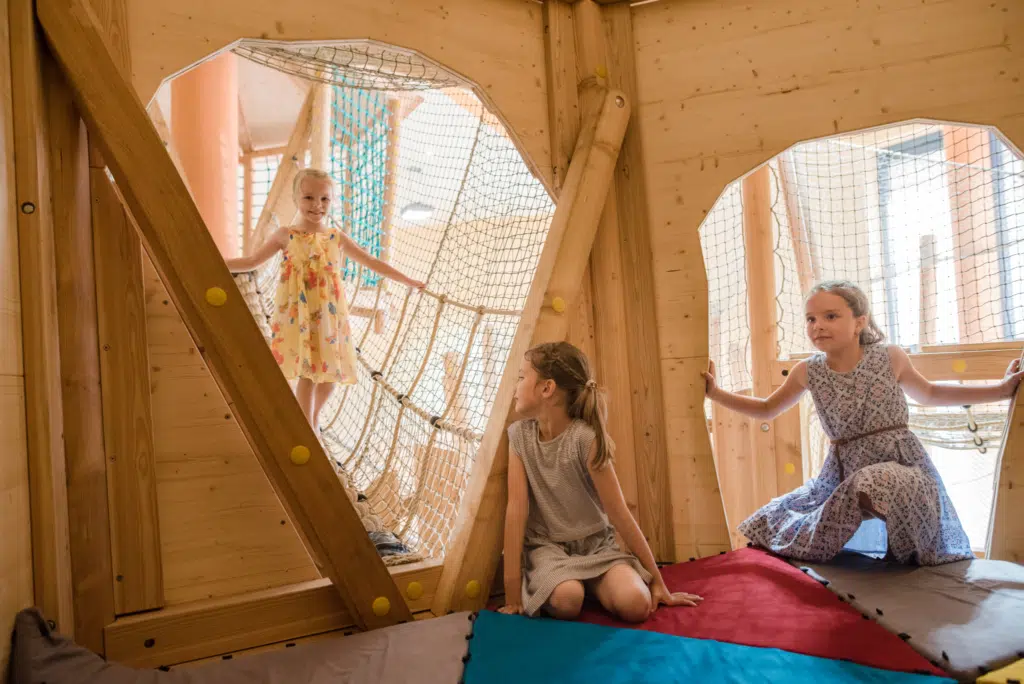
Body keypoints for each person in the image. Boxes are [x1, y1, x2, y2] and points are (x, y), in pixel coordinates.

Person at [703, 279, 1024, 565]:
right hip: (846, 472)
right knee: (772, 519)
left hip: (904, 467)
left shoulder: (889, 357)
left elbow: (928, 393)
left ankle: (901, 545)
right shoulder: (808, 371)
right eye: (811, 319)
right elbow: (767, 409)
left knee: (873, 480)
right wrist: (715, 394)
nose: (818, 326)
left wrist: (1001, 389)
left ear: (859, 322)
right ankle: (847, 548)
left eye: (831, 316)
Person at [499, 341, 702, 622]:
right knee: (568, 600)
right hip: (549, 550)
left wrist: (658, 582)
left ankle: (595, 583)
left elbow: (619, 513)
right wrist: (511, 594)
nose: (516, 386)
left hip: (596, 547)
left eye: (522, 377)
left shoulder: (585, 439)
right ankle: (573, 584)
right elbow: (516, 511)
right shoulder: (519, 436)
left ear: (547, 389)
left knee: (636, 605)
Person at [226, 168, 424, 431]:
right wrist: (211, 260)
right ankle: (307, 429)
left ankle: (313, 417)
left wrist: (408, 280)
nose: (317, 205)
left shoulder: (335, 237)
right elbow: (250, 262)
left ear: (331, 201)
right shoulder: (286, 235)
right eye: (309, 198)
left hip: (330, 317)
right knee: (308, 375)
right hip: (300, 316)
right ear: (297, 197)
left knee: (330, 379)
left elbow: (372, 262)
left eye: (324, 199)